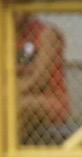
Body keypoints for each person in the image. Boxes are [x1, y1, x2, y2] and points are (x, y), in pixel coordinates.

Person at [14, 12, 70, 141]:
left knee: (18, 105)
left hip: (49, 99)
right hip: (12, 96)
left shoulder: (46, 34)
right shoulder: (5, 35)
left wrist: (8, 91)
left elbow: (38, 80)